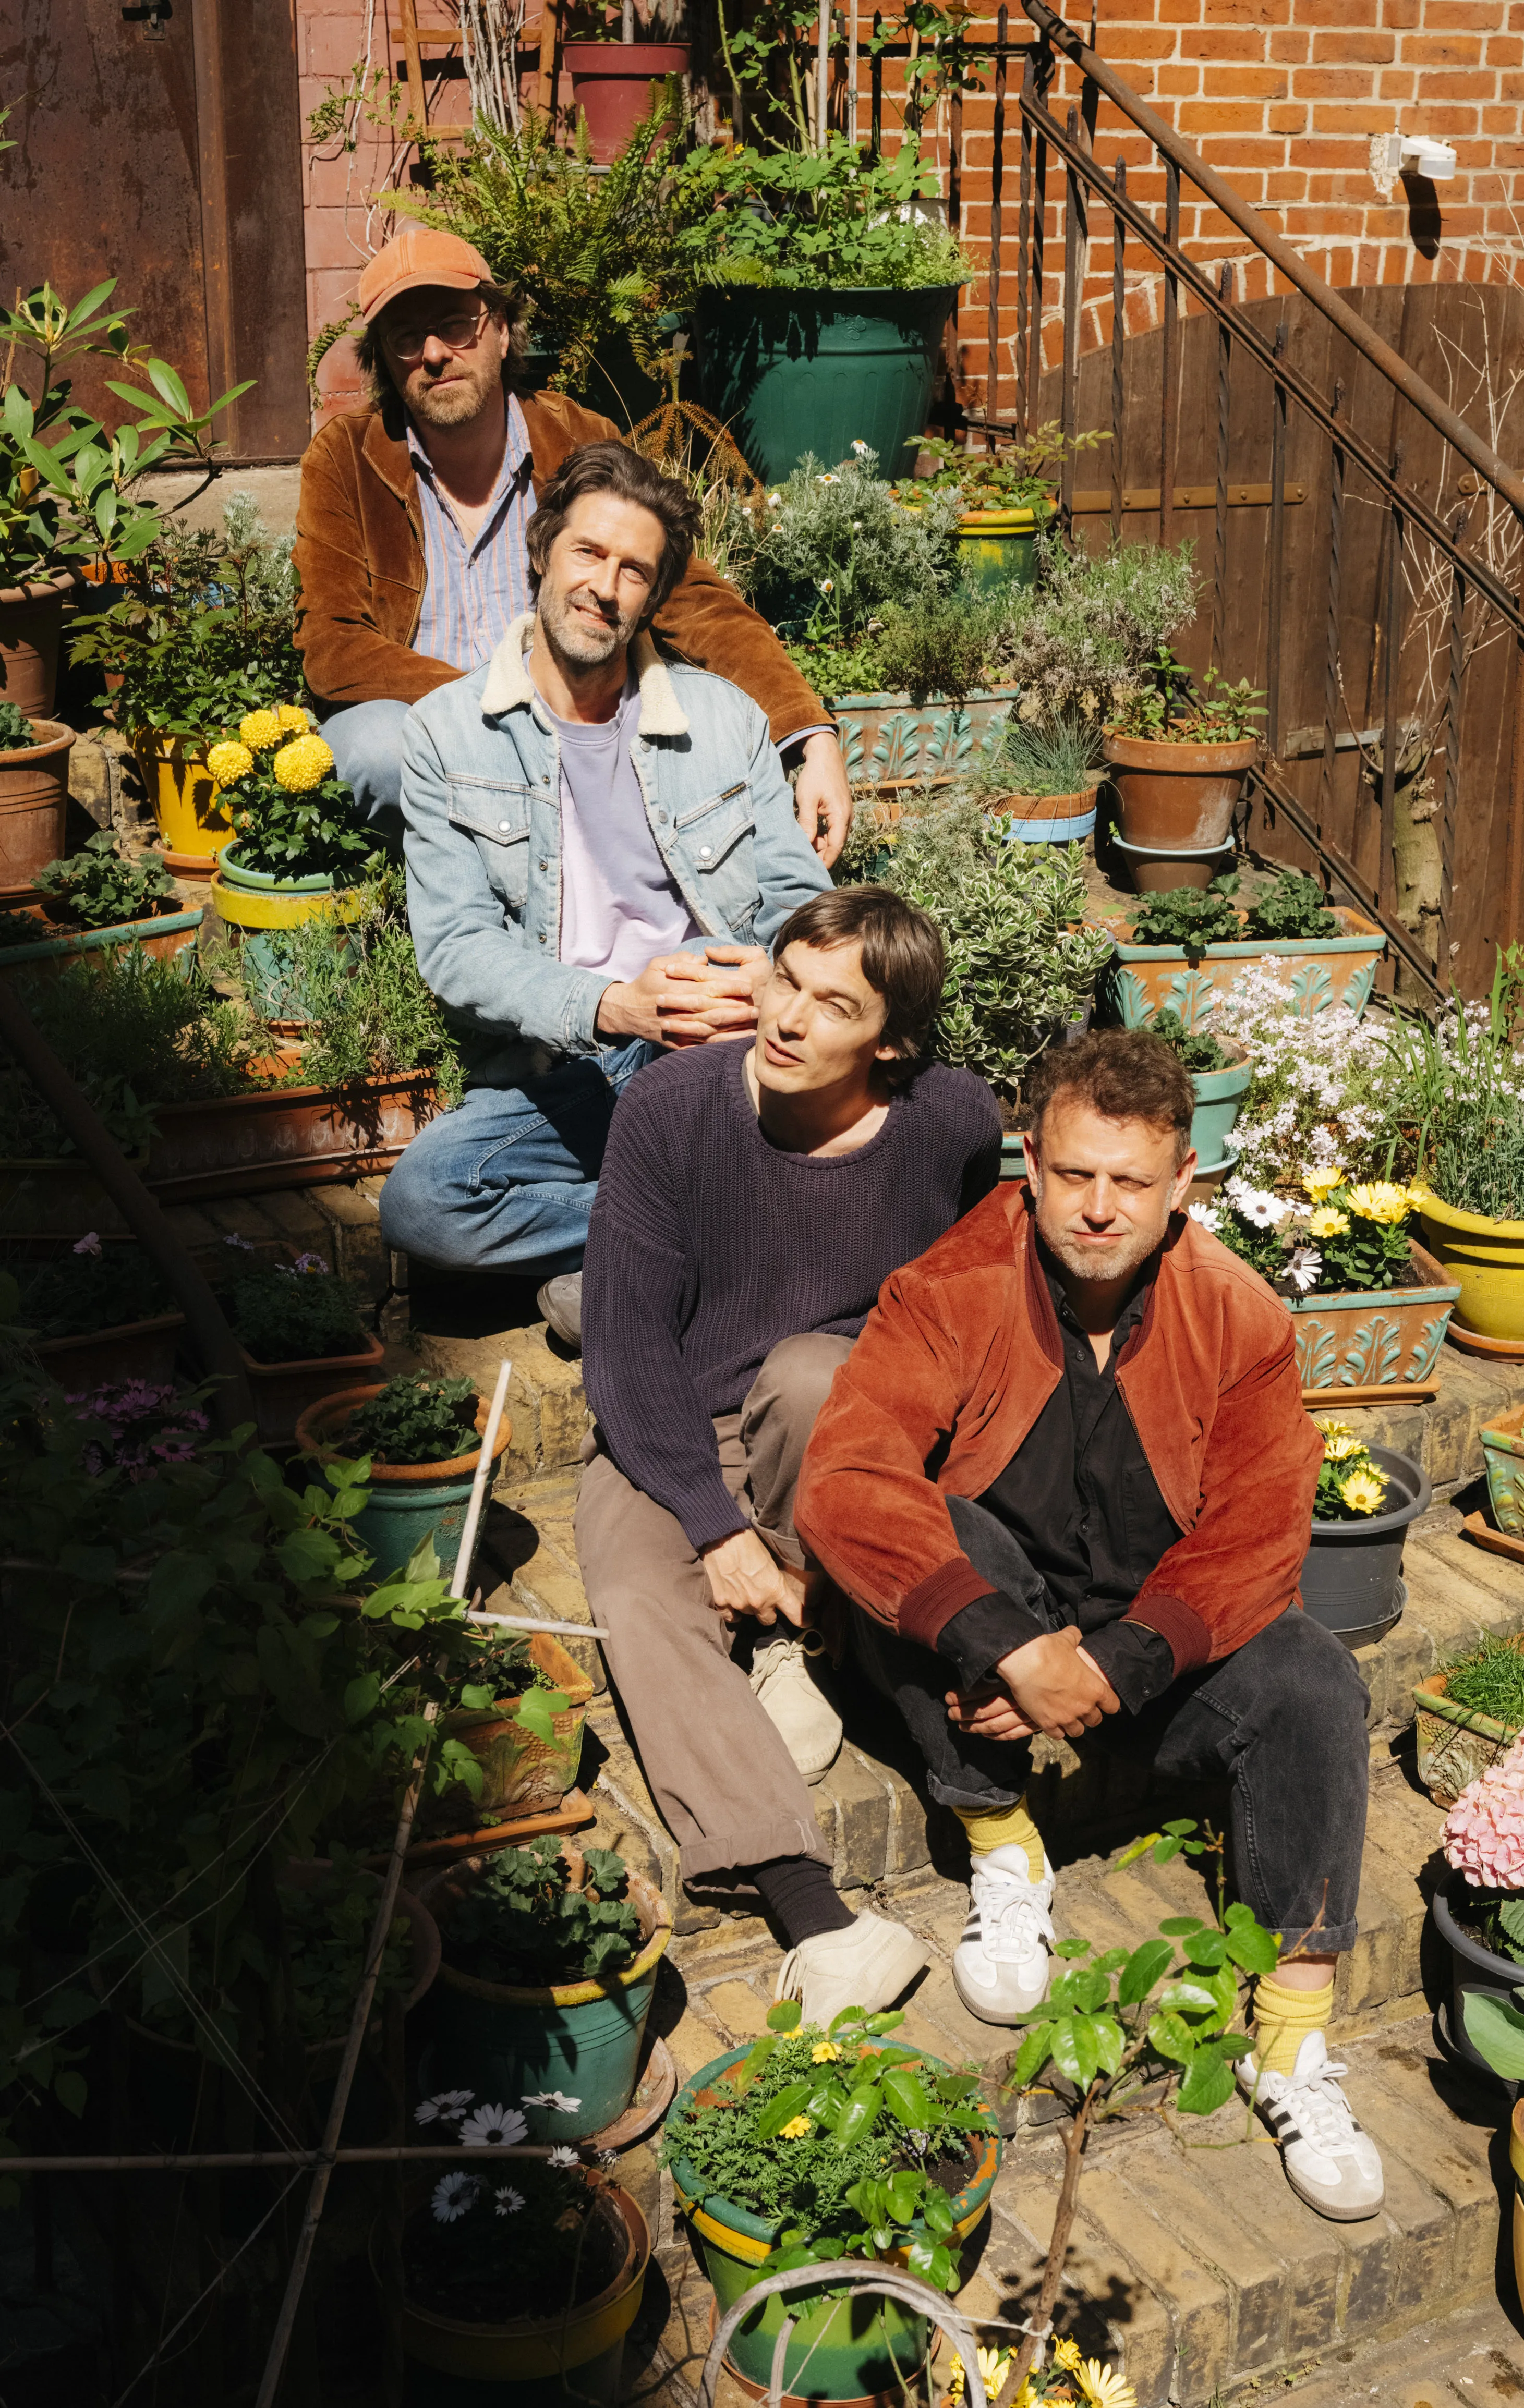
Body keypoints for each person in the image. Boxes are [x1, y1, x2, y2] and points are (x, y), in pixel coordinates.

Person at [794, 1030, 1385, 2222]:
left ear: (1182, 1183)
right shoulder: (950, 1286)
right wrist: (1011, 1647)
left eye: (1130, 1180)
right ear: (1030, 1162)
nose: (1099, 1206)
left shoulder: (1240, 1318)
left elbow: (1260, 1531)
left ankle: (1290, 2039)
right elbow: (846, 1477)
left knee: (1317, 1679)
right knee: (931, 1543)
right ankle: (1002, 1839)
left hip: (1148, 1648)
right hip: (992, 1655)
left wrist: (1111, 1666)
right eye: (1073, 1174)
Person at [572, 885, 1001, 2023]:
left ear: (891, 1043)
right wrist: (715, 1528)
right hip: (673, 1414)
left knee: (817, 1372)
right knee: (630, 1589)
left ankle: (797, 1631)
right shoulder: (671, 1106)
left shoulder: (951, 1121)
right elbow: (624, 1348)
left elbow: (967, 1289)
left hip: (833, 1419)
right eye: (783, 979)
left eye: (833, 1005)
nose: (787, 1017)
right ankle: (819, 1916)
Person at [380, 437, 833, 1290]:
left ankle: (630, 1264)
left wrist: (764, 977)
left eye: (634, 571)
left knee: (708, 964)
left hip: (708, 1049)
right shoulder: (446, 731)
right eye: (588, 552)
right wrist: (615, 1005)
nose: (604, 586)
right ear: (543, 551)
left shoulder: (724, 720)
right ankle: (710, 1228)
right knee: (424, 1203)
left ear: (652, 596)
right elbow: (456, 949)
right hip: (569, 1065)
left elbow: (805, 912)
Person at [293, 225, 851, 865]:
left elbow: (689, 595)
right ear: (385, 361)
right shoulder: (346, 458)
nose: (435, 353)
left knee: (698, 727)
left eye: (455, 325)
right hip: (435, 730)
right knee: (373, 749)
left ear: (502, 330)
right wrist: (495, 700)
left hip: (578, 726)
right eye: (405, 337)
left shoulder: (577, 438)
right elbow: (333, 644)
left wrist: (808, 735)